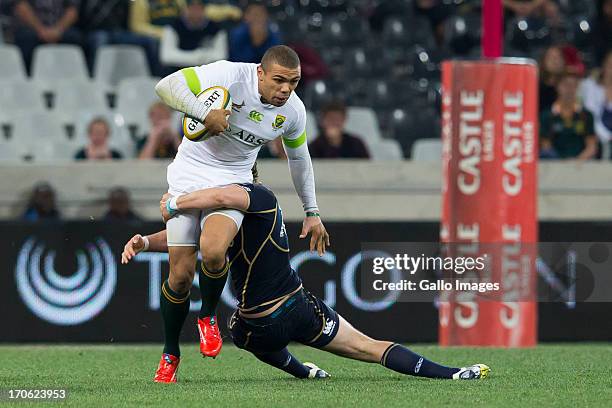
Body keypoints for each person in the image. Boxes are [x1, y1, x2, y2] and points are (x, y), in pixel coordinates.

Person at [121, 183, 490, 383]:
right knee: (370, 347)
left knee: (240, 330)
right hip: (298, 309)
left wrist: (174, 203)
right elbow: (191, 236)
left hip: (254, 325)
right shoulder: (238, 217)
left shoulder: (255, 197)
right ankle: (453, 373)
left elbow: (214, 199)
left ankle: (302, 369)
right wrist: (145, 242)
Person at [152, 45, 329, 373]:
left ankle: (206, 316)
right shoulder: (229, 75)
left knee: (214, 249)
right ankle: (170, 352)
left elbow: (299, 158)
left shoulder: (294, 111)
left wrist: (312, 210)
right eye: (279, 80)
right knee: (178, 277)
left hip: (234, 181)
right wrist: (204, 112)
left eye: (294, 82)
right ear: (259, 73)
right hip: (190, 173)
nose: (286, 89)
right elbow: (165, 86)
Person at [12, 0, 83, 72]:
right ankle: (28, 76)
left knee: (74, 38)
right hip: (33, 28)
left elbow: (72, 10)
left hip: (61, 28)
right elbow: (21, 7)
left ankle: (69, 75)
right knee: (26, 39)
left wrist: (58, 29)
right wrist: (40, 29)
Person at [540, 72, 598, 160]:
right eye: (566, 85)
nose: (569, 89)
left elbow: (591, 147)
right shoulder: (547, 115)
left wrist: (576, 162)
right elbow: (545, 145)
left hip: (581, 166)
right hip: (553, 165)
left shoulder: (586, 115)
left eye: (574, 85)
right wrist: (562, 163)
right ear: (557, 87)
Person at [160, 0, 228, 69]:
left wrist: (191, 58)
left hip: (207, 72)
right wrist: (198, 57)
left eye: (199, 7)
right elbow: (166, 57)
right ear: (185, 8)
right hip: (178, 72)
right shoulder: (173, 26)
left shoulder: (216, 28)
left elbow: (222, 56)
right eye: (192, 6)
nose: (195, 11)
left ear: (204, 9)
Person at [580, 51, 612, 153]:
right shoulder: (590, 86)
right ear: (604, 66)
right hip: (596, 138)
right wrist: (606, 137)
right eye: (610, 65)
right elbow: (590, 115)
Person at [539, 46, 565, 113]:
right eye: (551, 57)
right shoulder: (536, 86)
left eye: (558, 57)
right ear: (543, 61)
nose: (555, 61)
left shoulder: (568, 85)